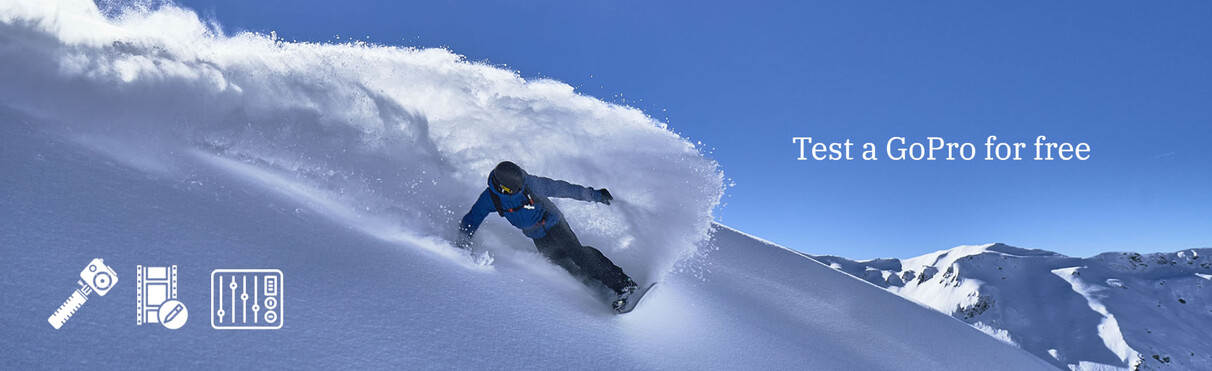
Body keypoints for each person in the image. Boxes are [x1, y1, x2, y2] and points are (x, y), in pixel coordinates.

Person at [457, 161, 638, 310]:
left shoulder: (532, 184)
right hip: (537, 235)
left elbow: (563, 188)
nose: (522, 189)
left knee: (578, 254)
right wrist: (463, 239)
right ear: (504, 189)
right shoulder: (491, 199)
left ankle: (623, 284)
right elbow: (473, 217)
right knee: (563, 265)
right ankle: (601, 289)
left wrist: (595, 195)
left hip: (554, 222)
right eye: (517, 189)